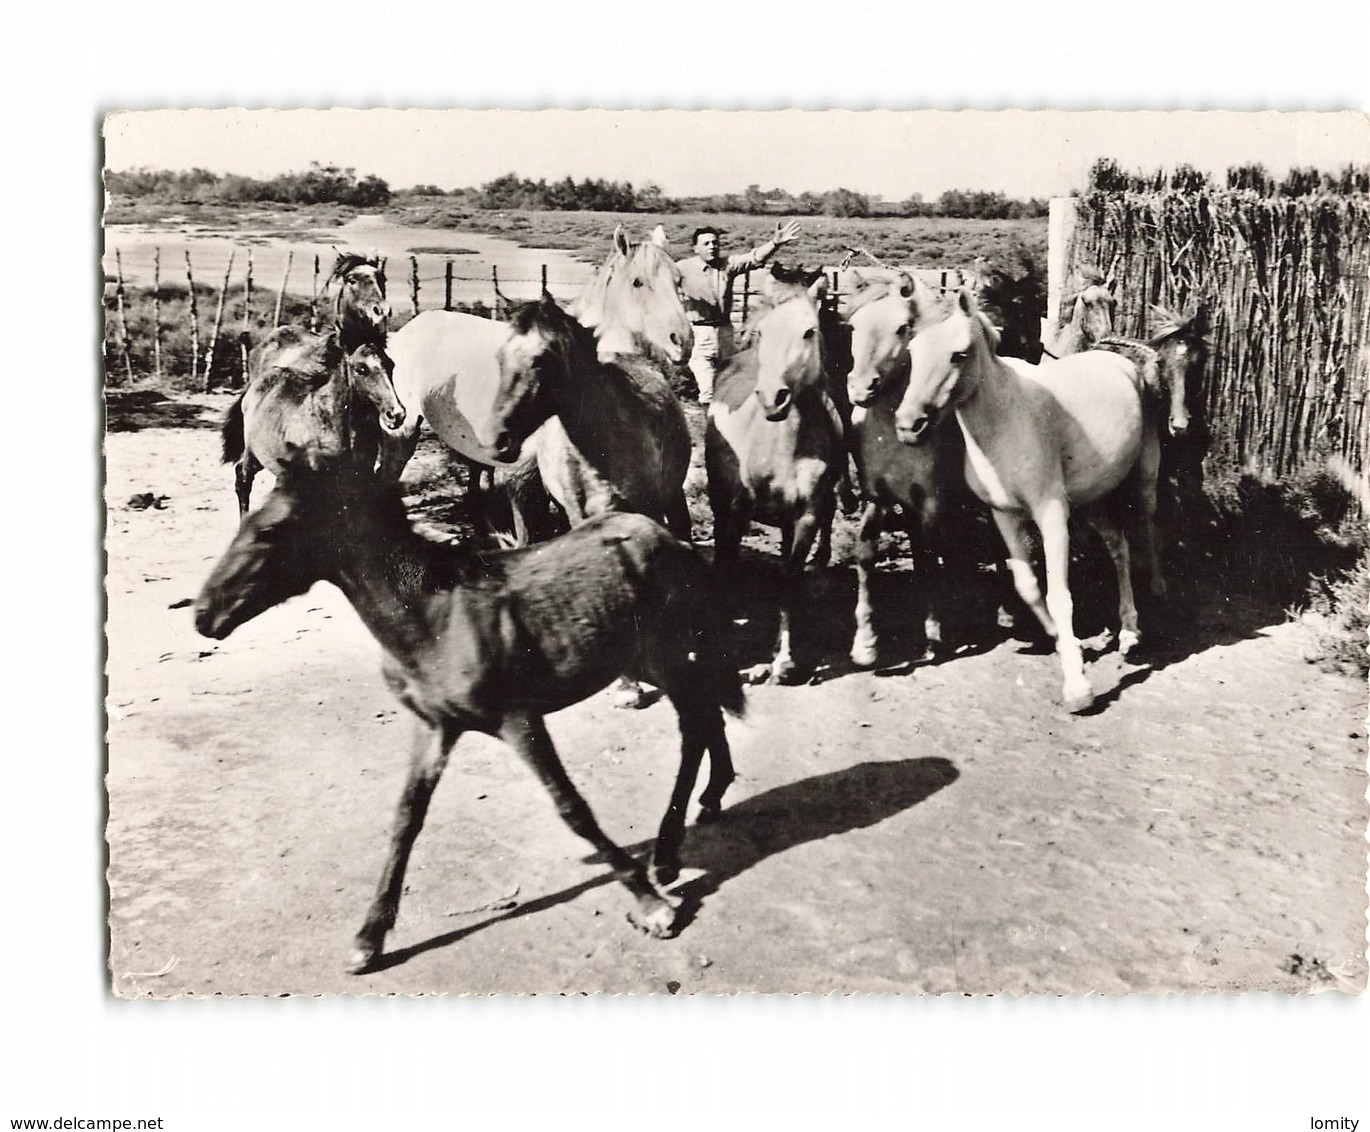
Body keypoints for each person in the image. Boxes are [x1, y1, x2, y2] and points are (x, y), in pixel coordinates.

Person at [677, 220, 801, 404]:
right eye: (706, 243)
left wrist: (775, 243)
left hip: (725, 333)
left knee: (734, 385)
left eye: (715, 243)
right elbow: (658, 277)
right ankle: (710, 429)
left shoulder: (727, 265)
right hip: (699, 334)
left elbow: (754, 258)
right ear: (695, 248)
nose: (712, 247)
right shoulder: (682, 268)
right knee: (708, 391)